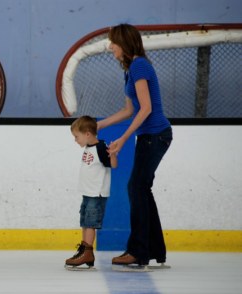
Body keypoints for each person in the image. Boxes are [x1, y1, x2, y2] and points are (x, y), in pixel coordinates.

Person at [97, 24, 173, 267]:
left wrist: (124, 138)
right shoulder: (130, 69)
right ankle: (156, 251)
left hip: (156, 135)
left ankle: (139, 251)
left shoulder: (139, 65)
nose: (110, 47)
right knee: (141, 189)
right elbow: (130, 110)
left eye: (113, 43)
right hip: (150, 136)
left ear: (124, 44)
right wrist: (100, 125)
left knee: (136, 188)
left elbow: (147, 108)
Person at [65, 116, 117, 269]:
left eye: (76, 136)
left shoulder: (101, 147)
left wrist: (112, 153)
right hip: (87, 193)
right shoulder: (89, 147)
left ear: (87, 133)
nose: (75, 140)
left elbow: (113, 165)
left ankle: (87, 251)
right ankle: (84, 250)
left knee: (90, 223)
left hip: (96, 194)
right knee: (85, 222)